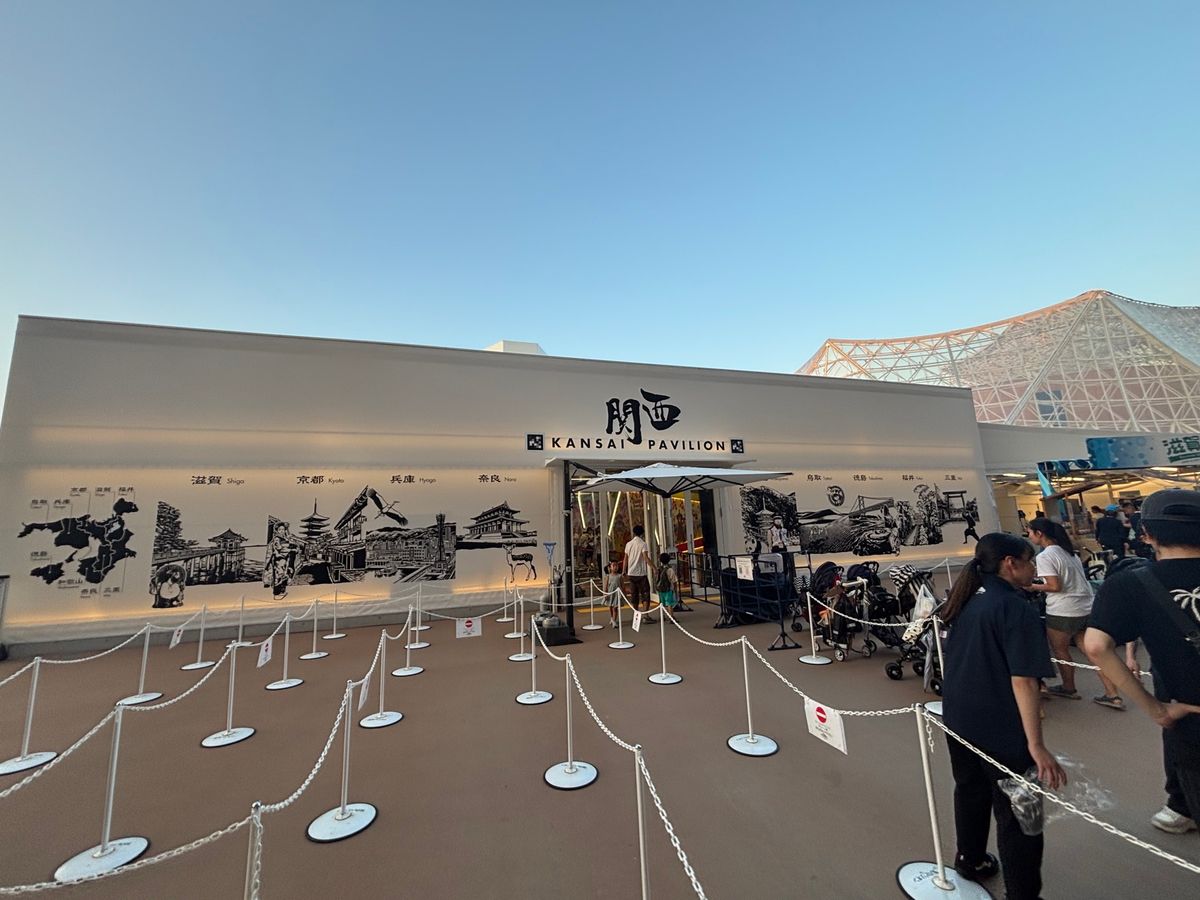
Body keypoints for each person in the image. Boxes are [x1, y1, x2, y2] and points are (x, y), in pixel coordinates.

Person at [941, 532, 1067, 899]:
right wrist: (1036, 745)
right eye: (1030, 561)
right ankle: (1022, 894)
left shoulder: (966, 599)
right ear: (1010, 564)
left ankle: (970, 859)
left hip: (960, 718)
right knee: (1019, 813)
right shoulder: (1015, 608)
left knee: (970, 791)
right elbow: (1024, 680)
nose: (1034, 569)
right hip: (1001, 729)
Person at [1084, 489, 1200, 838]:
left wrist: (1156, 710)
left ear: (1146, 533)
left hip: (1192, 723)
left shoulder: (1129, 584)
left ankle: (1181, 808)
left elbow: (1096, 646)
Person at [1027, 517, 1123, 707]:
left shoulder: (1044, 556)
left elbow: (1054, 586)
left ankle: (1069, 687)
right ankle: (1113, 695)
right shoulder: (1069, 552)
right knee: (1092, 653)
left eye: (1030, 532)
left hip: (1063, 610)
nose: (1029, 536)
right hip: (1085, 607)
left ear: (1039, 533)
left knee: (1060, 650)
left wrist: (1031, 587)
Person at [623, 524, 655, 623]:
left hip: (631, 573)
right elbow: (645, 558)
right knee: (645, 594)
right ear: (642, 533)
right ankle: (645, 615)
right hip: (641, 574)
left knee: (634, 595)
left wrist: (624, 570)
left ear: (634, 533)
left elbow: (625, 558)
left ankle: (636, 616)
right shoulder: (643, 544)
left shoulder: (628, 544)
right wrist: (654, 567)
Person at [603, 560, 623, 628]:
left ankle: (614, 621)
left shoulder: (620, 576)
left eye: (616, 565)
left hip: (617, 595)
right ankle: (612, 618)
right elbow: (606, 586)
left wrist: (624, 594)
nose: (615, 567)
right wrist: (605, 594)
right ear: (610, 567)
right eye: (613, 565)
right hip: (610, 594)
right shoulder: (608, 576)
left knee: (615, 608)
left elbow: (622, 586)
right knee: (610, 607)